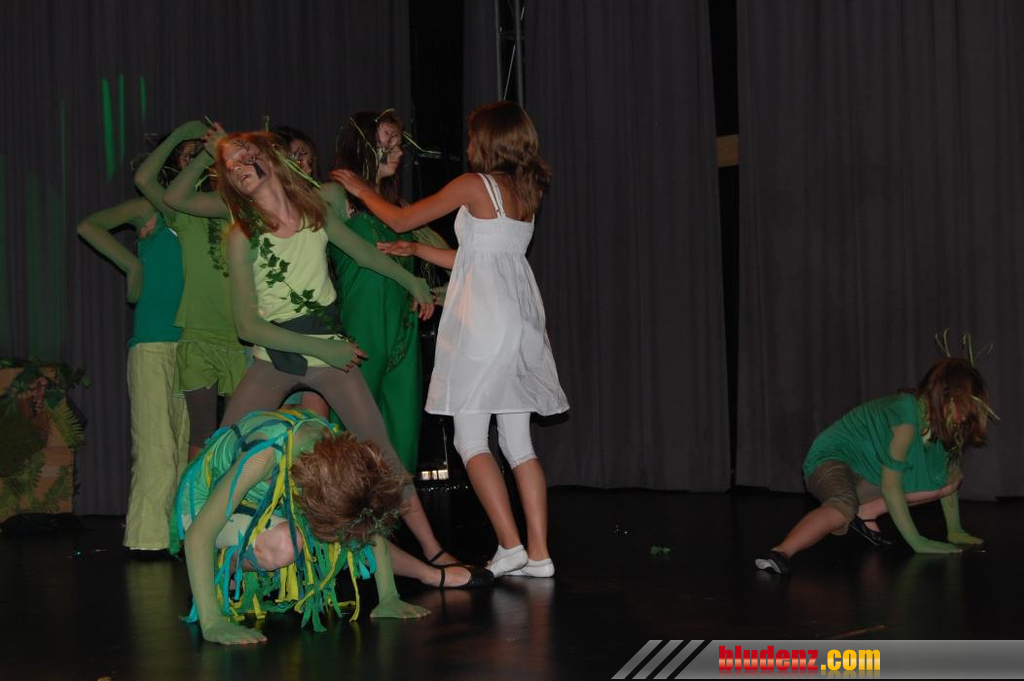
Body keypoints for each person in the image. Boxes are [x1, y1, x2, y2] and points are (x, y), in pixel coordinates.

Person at [188, 127, 482, 585]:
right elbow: (247, 327)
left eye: (244, 155)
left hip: (329, 351)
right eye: (229, 167)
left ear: (269, 157)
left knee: (382, 455)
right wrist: (322, 348)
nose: (239, 167)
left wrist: (411, 280)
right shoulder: (243, 235)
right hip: (277, 355)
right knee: (224, 452)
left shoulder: (314, 212)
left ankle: (432, 550)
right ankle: (226, 559)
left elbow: (364, 255)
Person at [337, 101, 569, 578]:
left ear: (489, 140)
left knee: (470, 439)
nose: (467, 145)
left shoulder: (474, 184)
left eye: (472, 137)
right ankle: (539, 553)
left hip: (484, 324)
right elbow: (481, 258)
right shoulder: (525, 190)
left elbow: (400, 218)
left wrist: (361, 189)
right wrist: (417, 251)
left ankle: (510, 545)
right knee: (518, 444)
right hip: (520, 320)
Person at [171, 408, 428, 645]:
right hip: (201, 506)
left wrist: (389, 597)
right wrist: (212, 623)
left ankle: (240, 554)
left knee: (322, 532)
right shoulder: (263, 456)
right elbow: (198, 535)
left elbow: (365, 520)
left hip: (258, 502)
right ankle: (223, 567)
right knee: (286, 544)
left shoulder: (336, 454)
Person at [755, 357, 993, 575]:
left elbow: (947, 476)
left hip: (867, 473)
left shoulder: (940, 426)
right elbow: (891, 487)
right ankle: (781, 553)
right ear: (944, 396)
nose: (964, 418)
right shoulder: (907, 417)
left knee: (948, 481)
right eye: (962, 409)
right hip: (831, 458)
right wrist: (918, 542)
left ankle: (867, 511)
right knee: (843, 505)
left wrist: (955, 530)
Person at [327, 110, 451, 473]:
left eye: (399, 143)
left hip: (404, 330)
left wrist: (436, 292)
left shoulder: (399, 208)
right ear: (362, 146)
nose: (398, 151)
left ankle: (394, 509)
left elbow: (452, 256)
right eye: (389, 142)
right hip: (363, 327)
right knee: (353, 439)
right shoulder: (335, 195)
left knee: (401, 436)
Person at [77, 176, 188, 552]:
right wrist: (131, 265)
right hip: (153, 342)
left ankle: (178, 536)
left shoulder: (197, 213)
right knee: (157, 447)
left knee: (184, 447)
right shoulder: (149, 208)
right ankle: (148, 540)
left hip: (193, 344)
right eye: (186, 153)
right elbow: (89, 226)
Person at [136, 121, 247, 460]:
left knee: (240, 434)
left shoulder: (243, 207)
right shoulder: (182, 213)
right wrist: (184, 137)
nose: (202, 159)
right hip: (199, 334)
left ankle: (235, 495)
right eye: (191, 157)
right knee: (202, 433)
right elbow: (144, 180)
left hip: (241, 337)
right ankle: (196, 497)